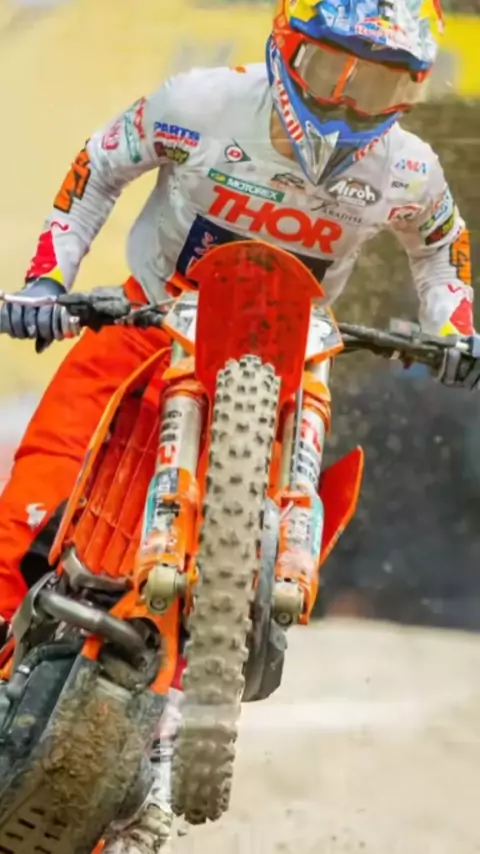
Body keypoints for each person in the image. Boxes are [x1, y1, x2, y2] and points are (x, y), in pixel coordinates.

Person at [0, 0, 477, 850]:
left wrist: (455, 329)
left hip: (290, 360)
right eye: (331, 72)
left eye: (378, 86)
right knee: (19, 528)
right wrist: (47, 281)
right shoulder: (200, 102)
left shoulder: (407, 168)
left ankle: (177, 714)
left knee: (300, 520)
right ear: (288, 47)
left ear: (410, 91)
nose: (345, 103)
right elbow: (101, 164)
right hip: (145, 327)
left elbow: (442, 251)